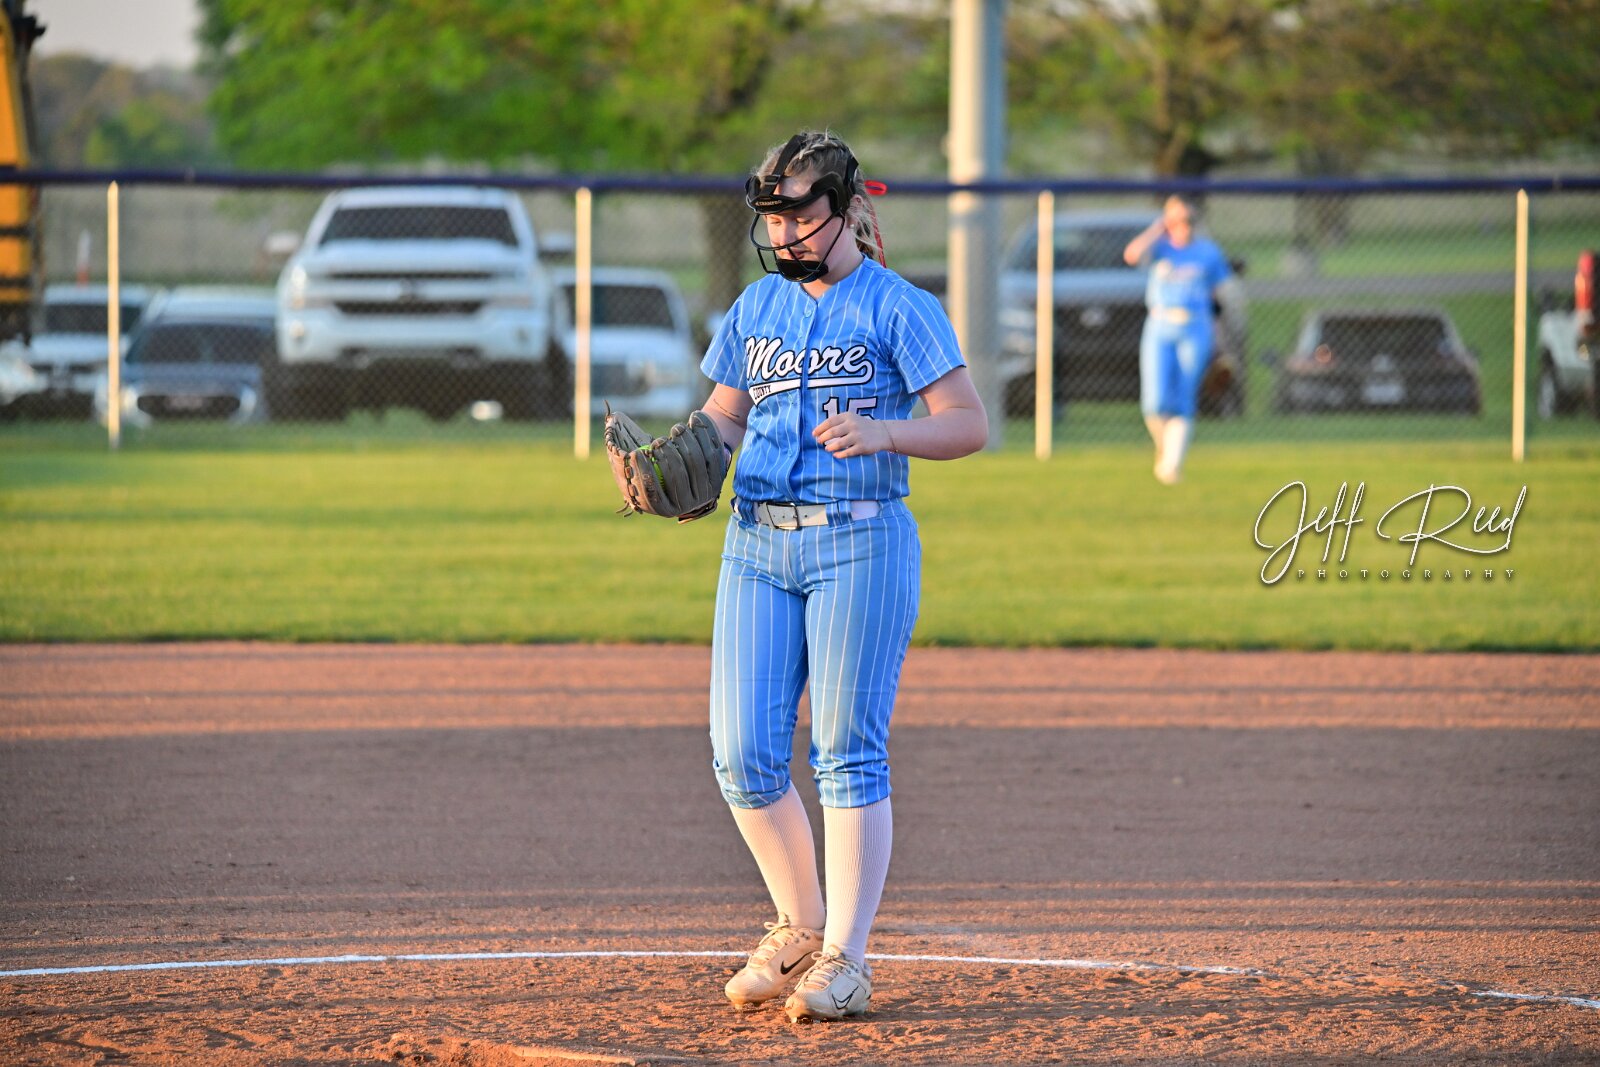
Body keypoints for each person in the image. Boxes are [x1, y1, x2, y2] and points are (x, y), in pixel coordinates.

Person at [693, 130, 987, 1023]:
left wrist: (887, 431)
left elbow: (967, 422)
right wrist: (681, 468)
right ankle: (798, 925)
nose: (784, 233)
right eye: (773, 217)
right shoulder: (756, 307)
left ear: (848, 207)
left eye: (799, 214)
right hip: (755, 544)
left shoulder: (900, 306)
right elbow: (723, 419)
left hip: (860, 542)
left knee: (845, 749)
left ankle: (847, 959)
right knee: (742, 751)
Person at [1122, 194, 1236, 484]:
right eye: (1177, 220)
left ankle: (1172, 464)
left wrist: (1221, 339)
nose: (1183, 225)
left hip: (1195, 326)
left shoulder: (1207, 252)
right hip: (1160, 325)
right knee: (1155, 401)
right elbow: (1132, 255)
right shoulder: (1160, 248)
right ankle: (1166, 449)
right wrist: (1158, 228)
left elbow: (1219, 299)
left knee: (1183, 396)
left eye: (1188, 219)